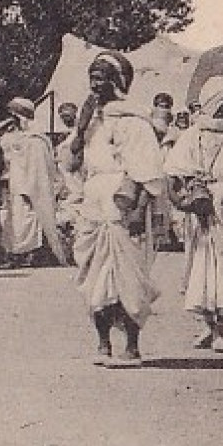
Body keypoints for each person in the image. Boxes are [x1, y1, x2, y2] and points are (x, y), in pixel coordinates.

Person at [62, 51, 166, 362]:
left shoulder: (134, 121)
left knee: (127, 277)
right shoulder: (91, 120)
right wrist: (80, 130)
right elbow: (71, 164)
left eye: (101, 78)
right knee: (93, 274)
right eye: (91, 77)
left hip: (122, 203)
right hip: (93, 203)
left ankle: (132, 344)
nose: (94, 84)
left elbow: (148, 171)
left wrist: (137, 211)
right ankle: (103, 341)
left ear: (117, 82)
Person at [164, 76, 223, 352]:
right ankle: (208, 325)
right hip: (202, 204)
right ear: (215, 103)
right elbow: (175, 169)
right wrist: (187, 197)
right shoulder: (194, 133)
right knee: (202, 264)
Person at [0, 98, 68, 268]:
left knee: (28, 221)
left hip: (28, 187)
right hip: (14, 185)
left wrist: (29, 188)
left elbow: (38, 169)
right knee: (13, 221)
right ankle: (15, 254)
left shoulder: (36, 140)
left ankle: (29, 254)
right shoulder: (15, 137)